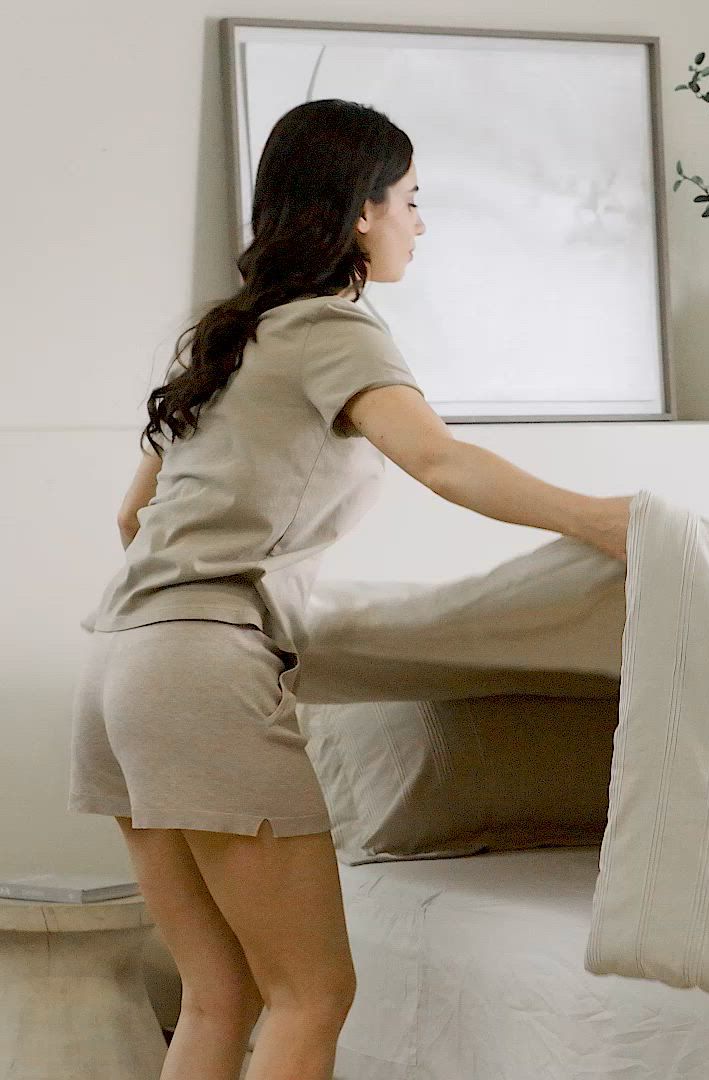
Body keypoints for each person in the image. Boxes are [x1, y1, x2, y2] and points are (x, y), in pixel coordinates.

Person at [67, 99, 632, 1080]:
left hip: (119, 666)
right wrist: (600, 519)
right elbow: (440, 461)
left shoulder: (227, 339)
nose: (420, 221)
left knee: (217, 994)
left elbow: (132, 519)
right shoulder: (335, 328)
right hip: (199, 671)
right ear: (361, 210)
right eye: (410, 199)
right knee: (313, 995)